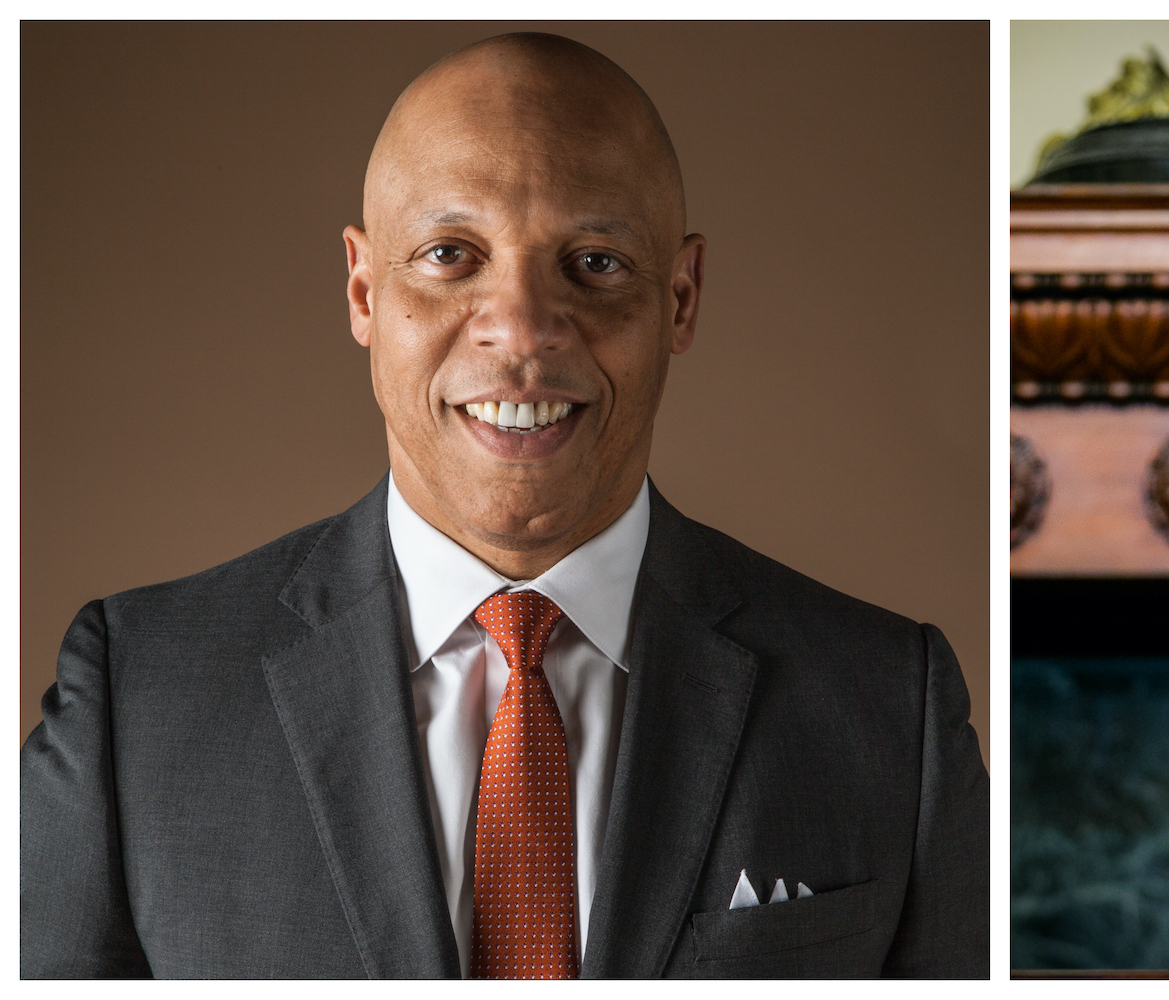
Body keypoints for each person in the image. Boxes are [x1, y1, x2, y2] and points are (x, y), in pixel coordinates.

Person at [21, 33, 987, 979]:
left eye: (596, 262)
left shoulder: (891, 708)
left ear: (682, 297)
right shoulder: (136, 702)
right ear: (363, 289)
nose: (521, 328)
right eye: (450, 254)